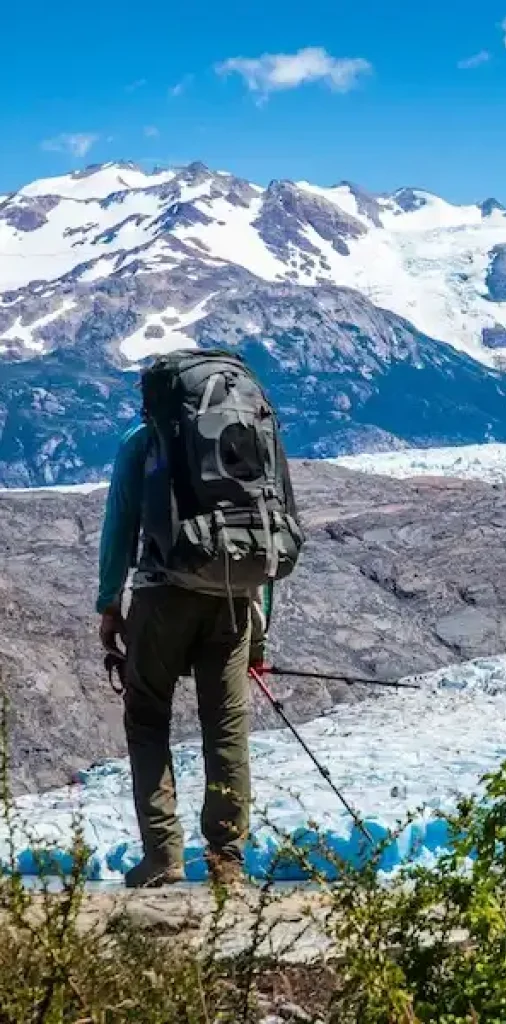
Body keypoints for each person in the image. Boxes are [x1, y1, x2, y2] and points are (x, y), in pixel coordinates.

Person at [98, 350, 303, 889]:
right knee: (226, 725)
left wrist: (107, 605)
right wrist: (261, 629)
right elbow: (270, 527)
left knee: (147, 718)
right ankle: (226, 863)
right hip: (235, 597)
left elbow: (119, 529)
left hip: (163, 592)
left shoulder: (144, 445)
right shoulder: (254, 441)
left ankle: (162, 855)